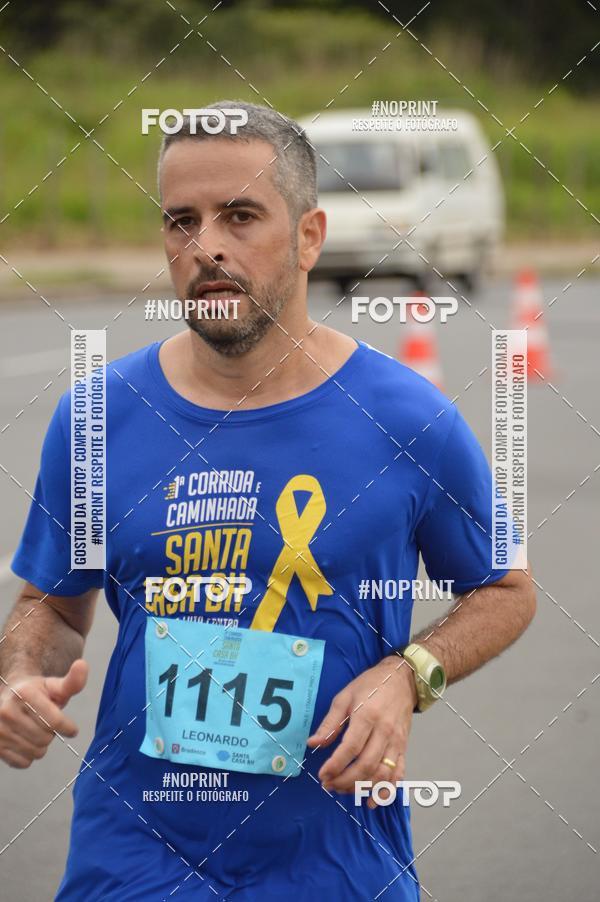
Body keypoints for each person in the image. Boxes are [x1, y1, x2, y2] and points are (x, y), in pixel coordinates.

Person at [0, 100, 535, 900]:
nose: (206, 245)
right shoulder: (96, 418)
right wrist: (19, 678)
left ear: (309, 236)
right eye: (181, 221)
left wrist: (409, 673)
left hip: (337, 858)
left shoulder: (406, 417)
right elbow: (51, 605)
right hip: (134, 857)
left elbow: (506, 588)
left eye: (240, 215)